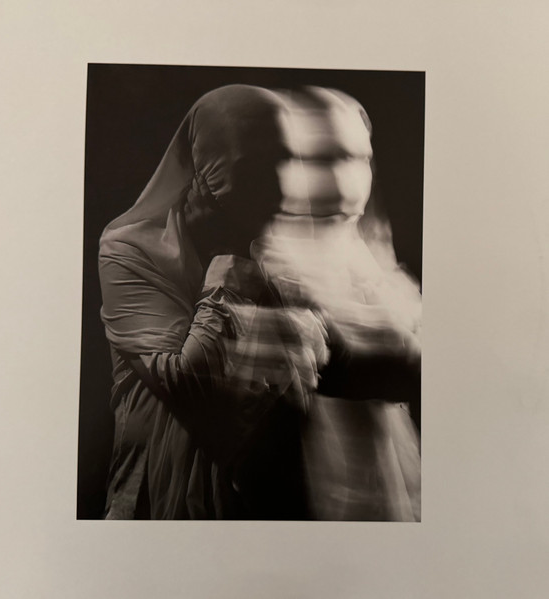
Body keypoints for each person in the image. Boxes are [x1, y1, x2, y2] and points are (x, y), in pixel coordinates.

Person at [98, 84, 421, 520]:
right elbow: (194, 388)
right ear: (209, 170)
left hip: (253, 501)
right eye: (259, 168)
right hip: (161, 498)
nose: (283, 188)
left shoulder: (277, 241)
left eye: (288, 162)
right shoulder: (129, 251)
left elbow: (346, 360)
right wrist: (231, 267)